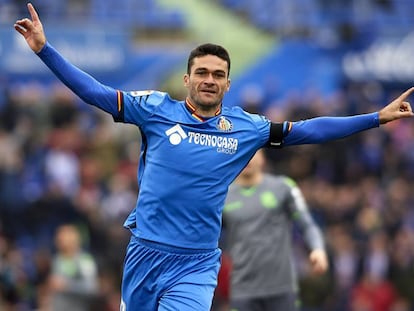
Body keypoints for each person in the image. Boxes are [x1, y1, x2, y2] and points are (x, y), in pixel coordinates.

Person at [14, 3, 414, 310]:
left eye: (218, 74)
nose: (209, 80)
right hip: (145, 252)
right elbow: (96, 93)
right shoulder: (154, 109)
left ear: (228, 82)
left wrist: (375, 118)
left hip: (197, 263)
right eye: (202, 72)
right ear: (187, 78)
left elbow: (308, 129)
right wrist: (45, 50)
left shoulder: (246, 128)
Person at [221, 149, 328, 311]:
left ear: (263, 158)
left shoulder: (283, 187)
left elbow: (307, 224)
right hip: (242, 289)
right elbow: (206, 236)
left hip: (282, 289)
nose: (248, 157)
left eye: (253, 151)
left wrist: (317, 248)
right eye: (244, 151)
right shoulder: (223, 196)